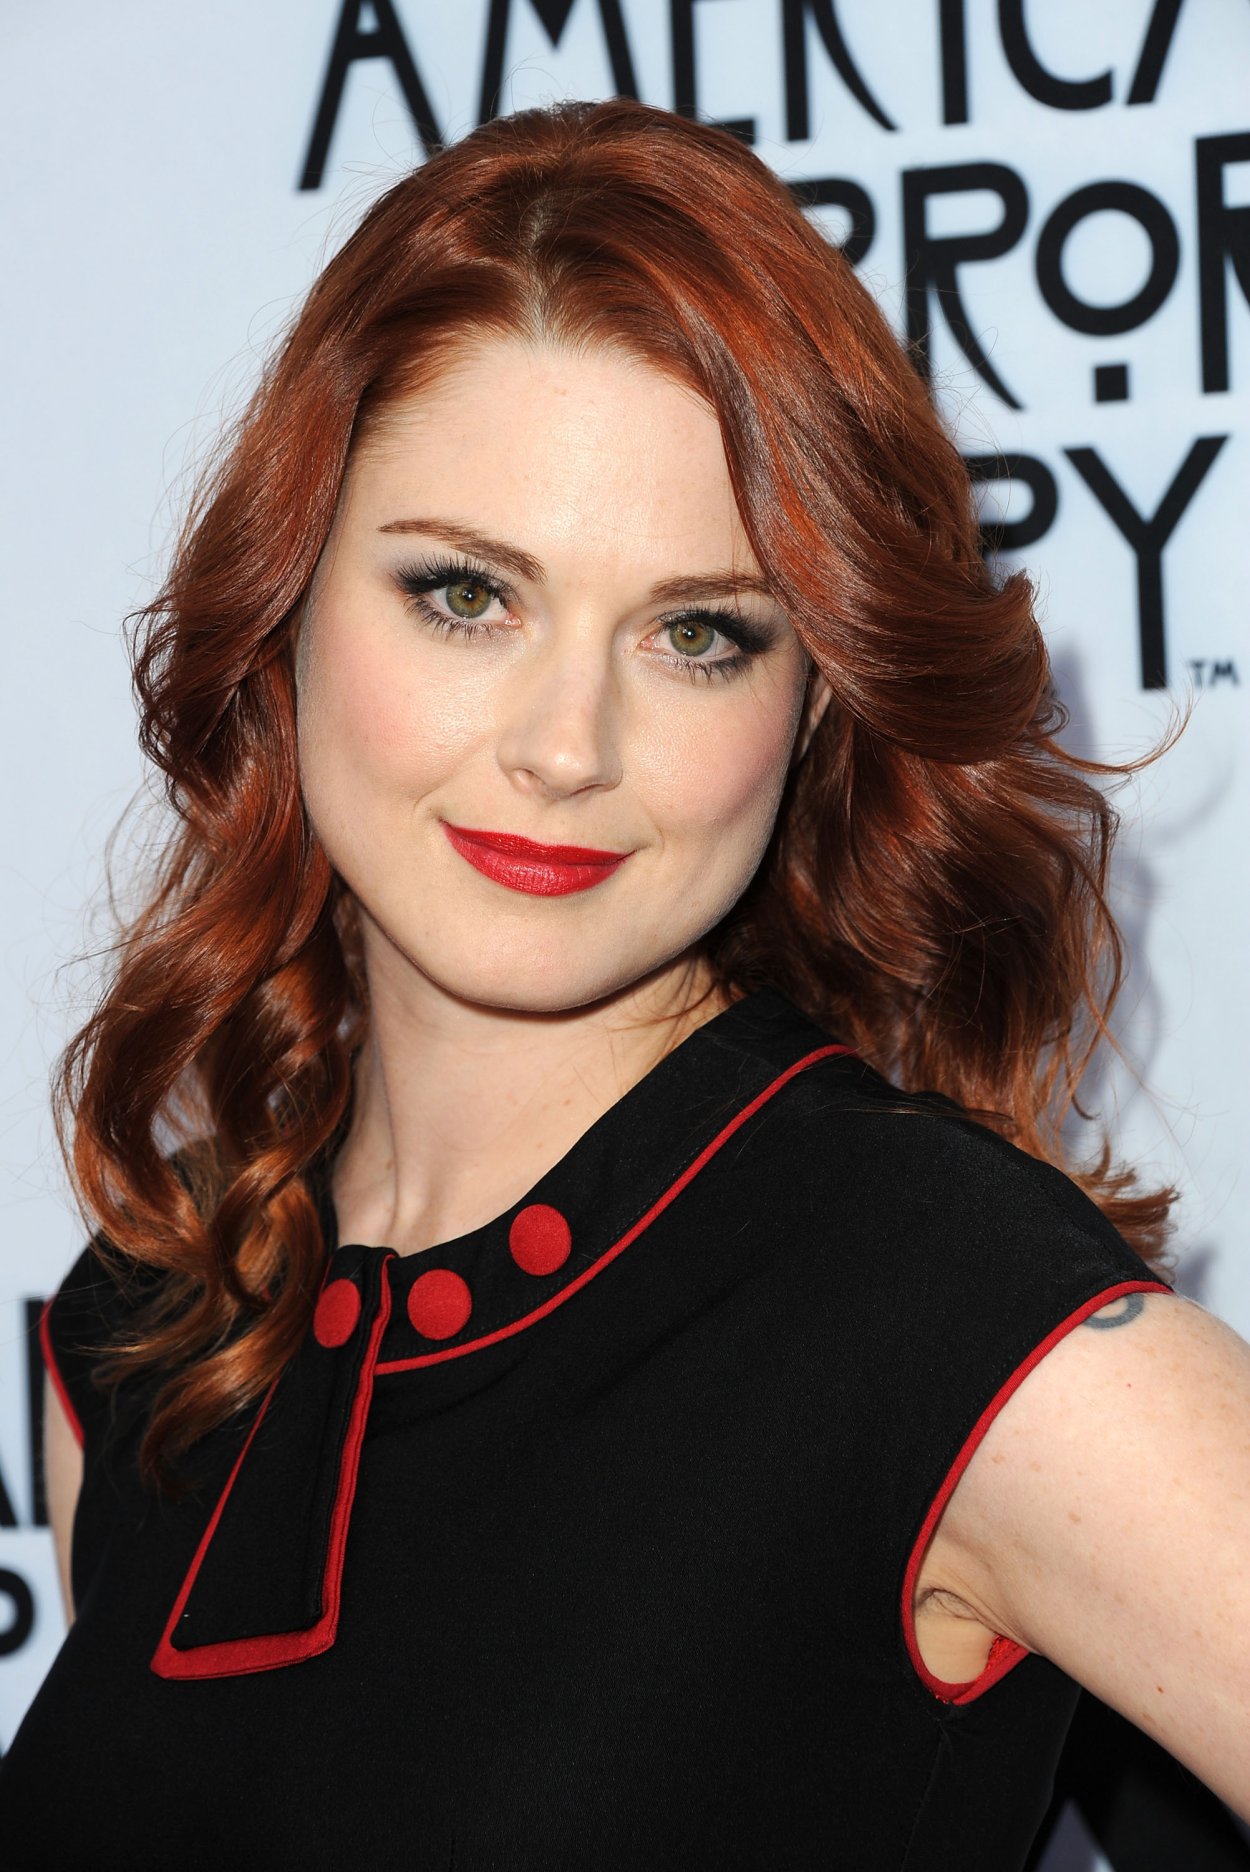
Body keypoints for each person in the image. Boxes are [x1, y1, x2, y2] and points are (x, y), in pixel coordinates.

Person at [1, 96, 1246, 1871]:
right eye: (465, 595)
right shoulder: (150, 1322)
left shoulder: (940, 1303)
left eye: (697, 633)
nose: (567, 745)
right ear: (287, 604)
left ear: (812, 702)